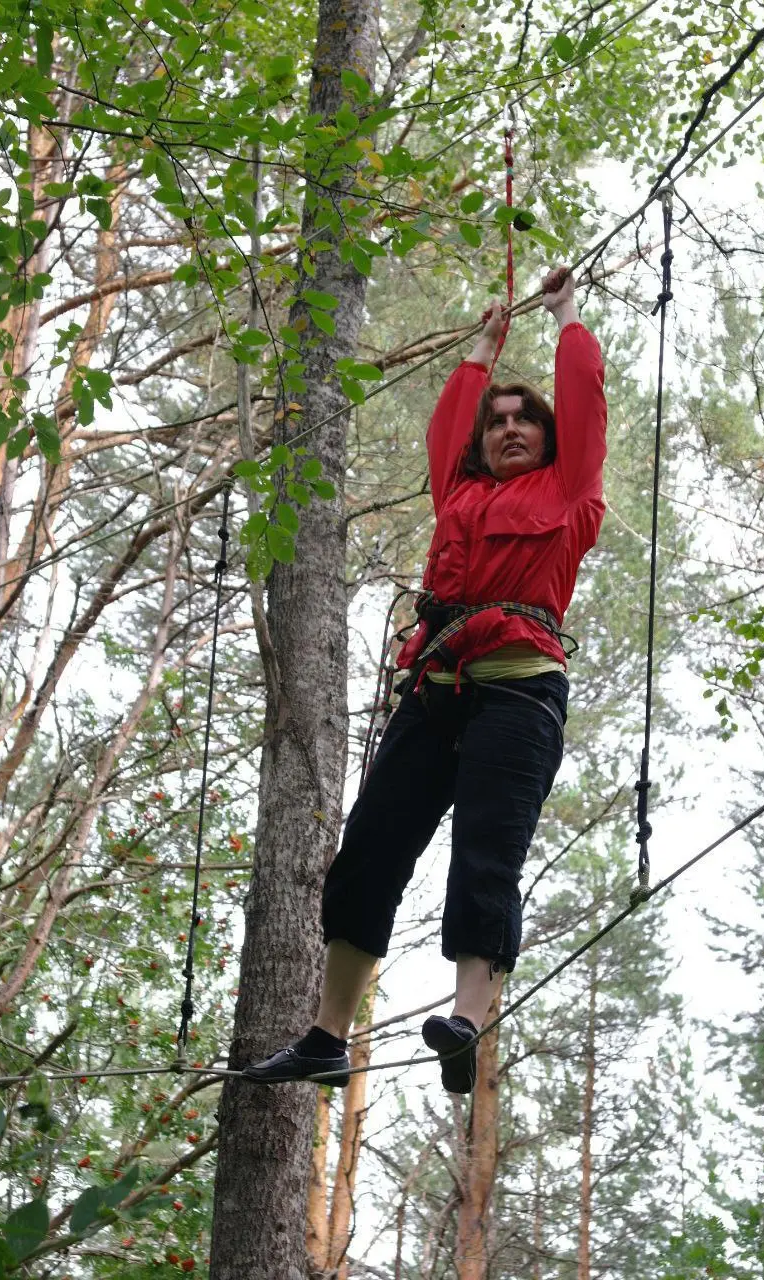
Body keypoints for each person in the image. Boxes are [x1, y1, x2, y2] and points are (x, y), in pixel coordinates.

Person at [243, 267, 607, 1094]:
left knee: (485, 858)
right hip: (436, 692)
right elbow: (449, 427)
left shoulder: (571, 493)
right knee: (368, 851)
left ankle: (466, 1020)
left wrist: (566, 317)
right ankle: (326, 1036)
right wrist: (484, 347)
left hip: (518, 692)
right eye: (498, 424)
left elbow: (586, 401)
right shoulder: (461, 496)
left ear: (551, 443)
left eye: (526, 422)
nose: (509, 429)